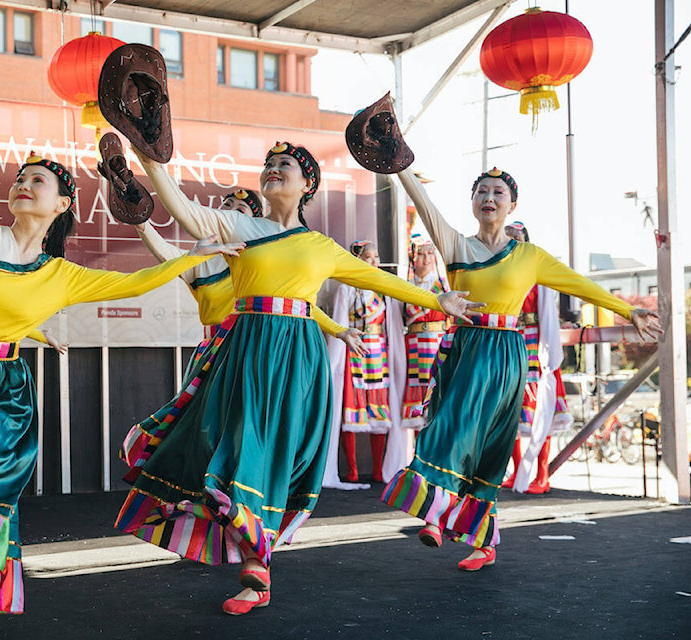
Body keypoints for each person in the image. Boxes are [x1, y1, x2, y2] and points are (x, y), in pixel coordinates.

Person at [0, 91, 241, 640]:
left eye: (38, 180)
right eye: (19, 177)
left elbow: (132, 282)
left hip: (5, 389)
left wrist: (189, 259)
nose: (23, 183)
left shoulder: (61, 275)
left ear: (63, 205)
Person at [114, 139, 478, 616]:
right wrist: (149, 159)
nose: (272, 169)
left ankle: (256, 567)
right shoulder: (241, 225)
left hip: (298, 357)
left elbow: (379, 281)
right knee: (238, 443)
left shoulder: (321, 247)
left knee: (273, 451)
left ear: (308, 184)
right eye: (268, 164)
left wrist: (438, 302)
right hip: (245, 348)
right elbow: (182, 209)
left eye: (284, 164)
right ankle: (253, 558)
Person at [382, 166, 660, 571]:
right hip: (466, 346)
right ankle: (435, 511)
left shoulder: (529, 256)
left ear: (513, 204)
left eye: (498, 192)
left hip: (509, 351)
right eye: (481, 191)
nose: (489, 198)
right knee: (451, 425)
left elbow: (578, 284)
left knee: (493, 444)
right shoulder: (455, 244)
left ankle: (482, 541)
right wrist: (401, 165)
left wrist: (627, 309)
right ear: (473, 202)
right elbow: (423, 205)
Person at [124, 190, 358, 481]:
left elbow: (300, 304)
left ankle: (244, 496)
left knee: (250, 428)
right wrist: (141, 222)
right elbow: (164, 253)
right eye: (227, 207)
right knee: (203, 430)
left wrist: (338, 329)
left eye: (240, 210)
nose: (231, 211)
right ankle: (202, 494)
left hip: (251, 351)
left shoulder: (260, 263)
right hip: (214, 355)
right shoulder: (199, 261)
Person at [501, 221, 573, 494]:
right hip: (511, 340)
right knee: (509, 411)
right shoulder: (500, 272)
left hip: (534, 342)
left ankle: (541, 475)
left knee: (540, 408)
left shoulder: (535, 272)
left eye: (517, 238)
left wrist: (547, 350)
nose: (512, 243)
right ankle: (518, 471)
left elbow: (545, 312)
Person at [326, 241, 404, 484]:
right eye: (368, 257)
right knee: (351, 408)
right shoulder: (346, 288)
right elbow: (339, 322)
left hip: (378, 350)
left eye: (376, 257)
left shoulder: (382, 290)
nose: (373, 262)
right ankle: (352, 469)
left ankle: (380, 469)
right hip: (355, 349)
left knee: (380, 410)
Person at [400, 235, 449, 432]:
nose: (426, 258)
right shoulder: (405, 285)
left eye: (430, 253)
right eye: (421, 254)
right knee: (417, 393)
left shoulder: (443, 285)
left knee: (438, 389)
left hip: (438, 342)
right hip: (414, 346)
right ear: (412, 257)